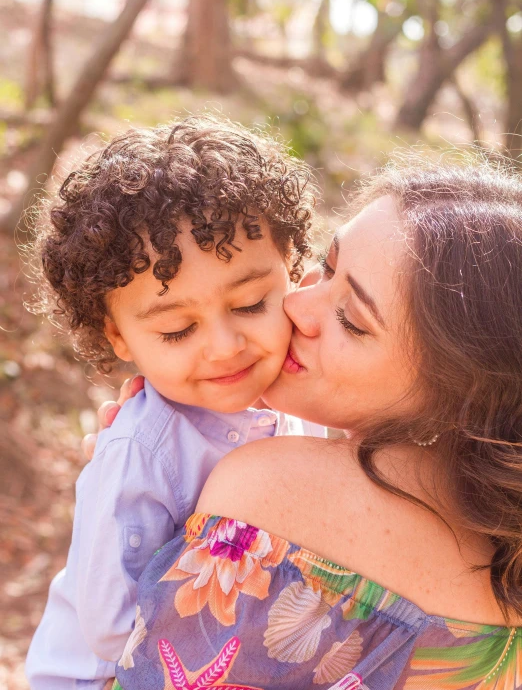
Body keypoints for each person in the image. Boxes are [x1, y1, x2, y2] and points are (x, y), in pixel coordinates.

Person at [100, 156, 522, 689]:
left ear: (461, 391)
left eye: (351, 320)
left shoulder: (267, 491)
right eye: (326, 265)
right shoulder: (506, 579)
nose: (296, 305)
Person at [25, 115, 326, 690]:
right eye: (176, 331)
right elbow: (113, 628)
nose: (224, 347)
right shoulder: (139, 453)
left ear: (290, 271)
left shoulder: (305, 408)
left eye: (251, 303)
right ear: (118, 338)